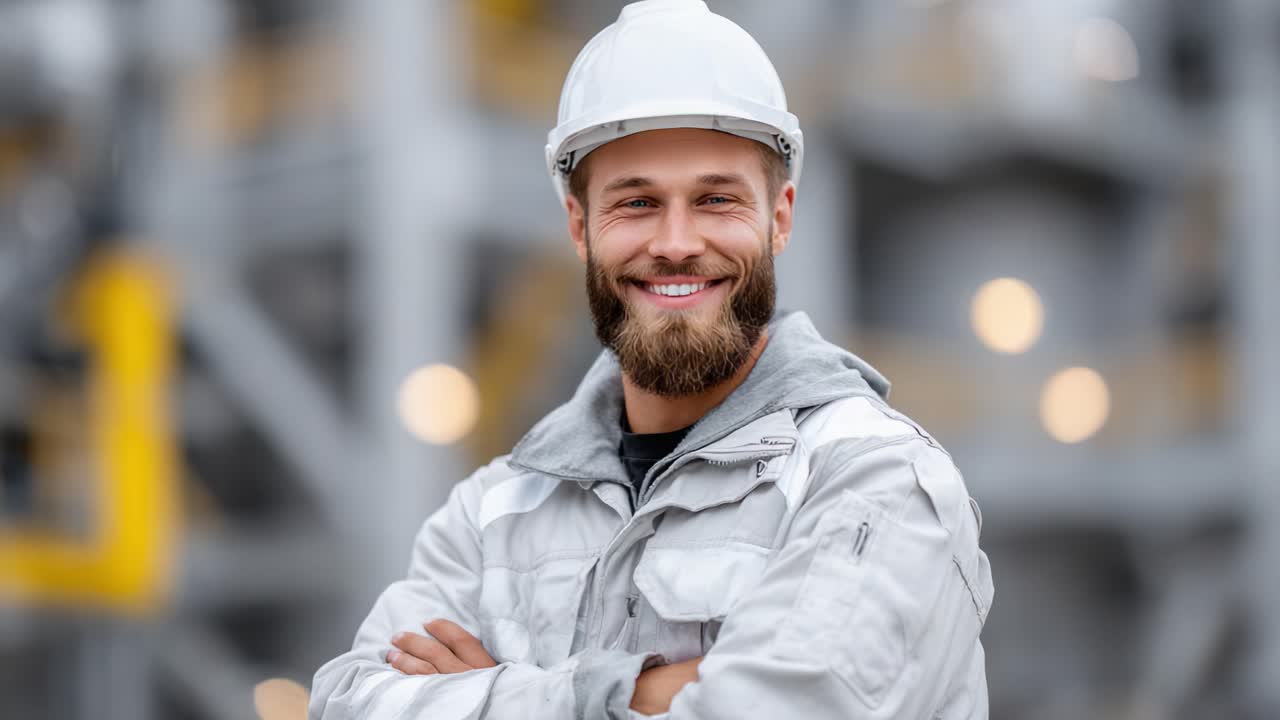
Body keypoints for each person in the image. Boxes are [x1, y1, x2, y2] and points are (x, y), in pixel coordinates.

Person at [309, 1, 993, 718]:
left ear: (780, 217)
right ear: (579, 226)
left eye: (716, 200)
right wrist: (633, 691)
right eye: (636, 203)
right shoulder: (495, 512)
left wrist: (495, 688)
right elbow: (347, 704)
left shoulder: (876, 482)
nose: (674, 241)